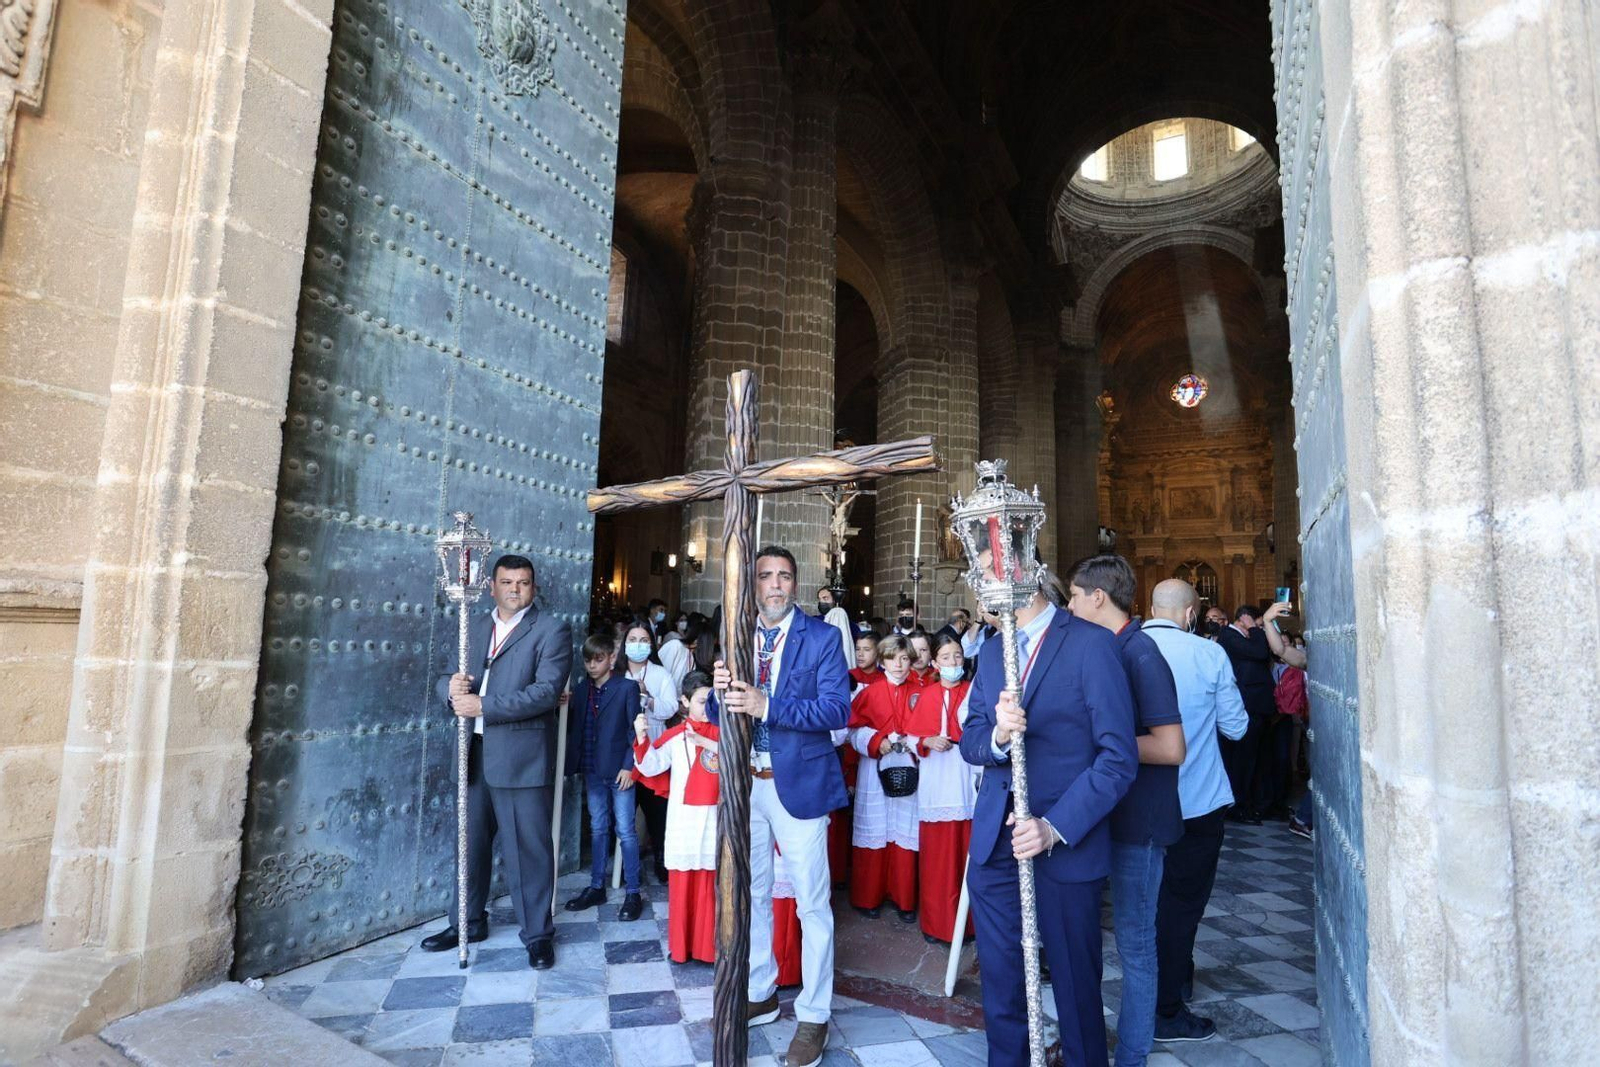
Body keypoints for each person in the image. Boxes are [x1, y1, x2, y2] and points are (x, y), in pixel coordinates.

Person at [959, 560, 1138, 1067]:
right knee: (1001, 980)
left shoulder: (1088, 643)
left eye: (986, 574)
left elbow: (1118, 759)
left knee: (1075, 985)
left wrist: (1053, 827)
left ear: (1022, 574)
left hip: (1064, 843)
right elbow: (971, 738)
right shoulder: (992, 651)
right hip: (996, 842)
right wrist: (996, 735)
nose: (980, 588)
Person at [712, 545, 852, 1067]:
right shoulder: (736, 634)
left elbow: (837, 708)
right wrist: (717, 691)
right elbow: (713, 703)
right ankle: (762, 991)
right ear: (752, 584)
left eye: (784, 577)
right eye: (765, 576)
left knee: (813, 905)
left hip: (799, 783)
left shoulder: (822, 637)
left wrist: (768, 704)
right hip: (745, 782)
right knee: (752, 892)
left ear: (796, 584)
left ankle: (813, 1016)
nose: (774, 585)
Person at [1065, 556, 1185, 1067]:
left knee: (1135, 944)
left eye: (1073, 596)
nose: (1068, 606)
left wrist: (1105, 742)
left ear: (1097, 598)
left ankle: (1133, 1053)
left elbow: (1172, 747)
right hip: (1106, 815)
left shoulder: (1142, 654)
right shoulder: (1103, 649)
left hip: (1142, 822)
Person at [426, 555, 571, 970]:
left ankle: (538, 935)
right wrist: (449, 689)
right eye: (507, 582)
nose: (514, 590)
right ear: (491, 586)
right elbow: (443, 674)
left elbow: (545, 693)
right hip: (473, 753)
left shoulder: (550, 630)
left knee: (529, 850)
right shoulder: (474, 625)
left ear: (533, 587)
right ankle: (466, 922)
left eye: (523, 583)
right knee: (468, 844)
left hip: (521, 758)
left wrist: (482, 706)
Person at [1140, 579, 1249, 1044]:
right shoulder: (1208, 654)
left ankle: (1148, 997)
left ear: (1151, 608)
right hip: (1197, 803)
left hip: (1136, 805)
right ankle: (1168, 1006)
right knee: (1182, 905)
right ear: (1189, 615)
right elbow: (1238, 727)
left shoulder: (1122, 651)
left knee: (1140, 904)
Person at [631, 671, 718, 964]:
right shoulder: (675, 736)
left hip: (715, 818)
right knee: (683, 885)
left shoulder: (726, 734)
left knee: (711, 884)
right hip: (684, 819)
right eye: (702, 701)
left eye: (713, 701)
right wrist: (642, 738)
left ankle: (709, 949)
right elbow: (652, 766)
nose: (708, 708)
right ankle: (681, 948)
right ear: (684, 701)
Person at [563, 632, 646, 921]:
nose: (592, 665)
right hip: (592, 768)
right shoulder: (582, 688)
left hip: (620, 769)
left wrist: (629, 766)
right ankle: (596, 885)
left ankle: (633, 891)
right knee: (598, 827)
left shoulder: (626, 688)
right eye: (587, 660)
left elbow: (632, 730)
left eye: (598, 659)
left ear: (611, 658)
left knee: (625, 830)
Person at [907, 633, 978, 943]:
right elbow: (909, 736)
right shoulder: (928, 695)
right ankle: (937, 925)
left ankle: (969, 925)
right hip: (937, 783)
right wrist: (926, 740)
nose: (953, 662)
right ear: (935, 662)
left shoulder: (975, 693)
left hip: (967, 782)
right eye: (947, 657)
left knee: (967, 856)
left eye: (958, 656)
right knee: (938, 859)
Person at [847, 634, 922, 921]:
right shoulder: (871, 693)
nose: (899, 665)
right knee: (874, 828)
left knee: (905, 831)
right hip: (875, 768)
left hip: (909, 766)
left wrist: (912, 740)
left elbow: (927, 729)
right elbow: (853, 731)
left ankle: (904, 899)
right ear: (883, 661)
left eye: (905, 659)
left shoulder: (920, 691)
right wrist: (878, 741)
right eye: (892, 659)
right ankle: (869, 897)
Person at [619, 620, 680, 885]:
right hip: (624, 748)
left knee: (657, 810)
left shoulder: (660, 674)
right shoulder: (617, 673)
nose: (638, 645)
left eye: (644, 640)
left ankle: (660, 859)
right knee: (625, 812)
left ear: (652, 645)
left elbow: (670, 708)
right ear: (624, 643)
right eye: (633, 639)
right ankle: (625, 863)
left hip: (654, 742)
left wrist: (648, 696)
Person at [1215, 606, 1274, 823]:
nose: (1258, 630)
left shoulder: (1240, 638)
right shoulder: (1229, 636)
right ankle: (1237, 806)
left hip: (1255, 706)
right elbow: (1260, 652)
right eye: (1257, 625)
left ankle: (1257, 803)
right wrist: (1254, 628)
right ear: (1244, 620)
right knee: (1243, 761)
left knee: (1255, 760)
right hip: (1245, 707)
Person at [817, 585, 855, 668]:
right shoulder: (816, 621)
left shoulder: (852, 625)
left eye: (825, 598)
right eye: (820, 599)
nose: (822, 602)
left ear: (835, 599)